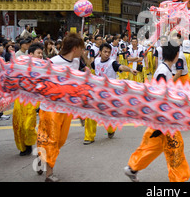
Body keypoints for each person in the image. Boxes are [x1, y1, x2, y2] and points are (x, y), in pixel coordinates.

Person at [124, 42, 190, 182]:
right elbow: (157, 95)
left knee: (153, 147)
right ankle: (178, 179)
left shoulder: (165, 69)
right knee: (176, 149)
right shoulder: (163, 71)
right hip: (164, 119)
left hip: (161, 118)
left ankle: (133, 168)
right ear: (177, 55)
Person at [36, 33, 85, 182]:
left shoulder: (76, 62)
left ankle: (42, 156)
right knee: (51, 140)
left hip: (66, 109)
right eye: (81, 48)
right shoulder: (53, 63)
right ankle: (49, 174)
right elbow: (41, 83)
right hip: (50, 109)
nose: (83, 51)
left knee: (60, 141)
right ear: (75, 48)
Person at [83, 43, 138, 145]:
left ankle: (111, 129)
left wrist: (130, 69)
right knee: (90, 113)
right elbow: (90, 65)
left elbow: (121, 67)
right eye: (105, 51)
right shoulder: (96, 61)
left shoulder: (112, 63)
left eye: (109, 52)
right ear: (100, 52)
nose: (107, 54)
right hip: (96, 92)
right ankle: (89, 137)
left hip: (108, 94)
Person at [12, 43, 42, 156]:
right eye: (38, 53)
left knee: (28, 125)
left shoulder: (42, 68)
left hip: (32, 100)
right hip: (19, 99)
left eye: (41, 53)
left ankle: (29, 143)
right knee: (18, 125)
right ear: (30, 54)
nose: (40, 55)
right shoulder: (21, 65)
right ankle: (23, 147)